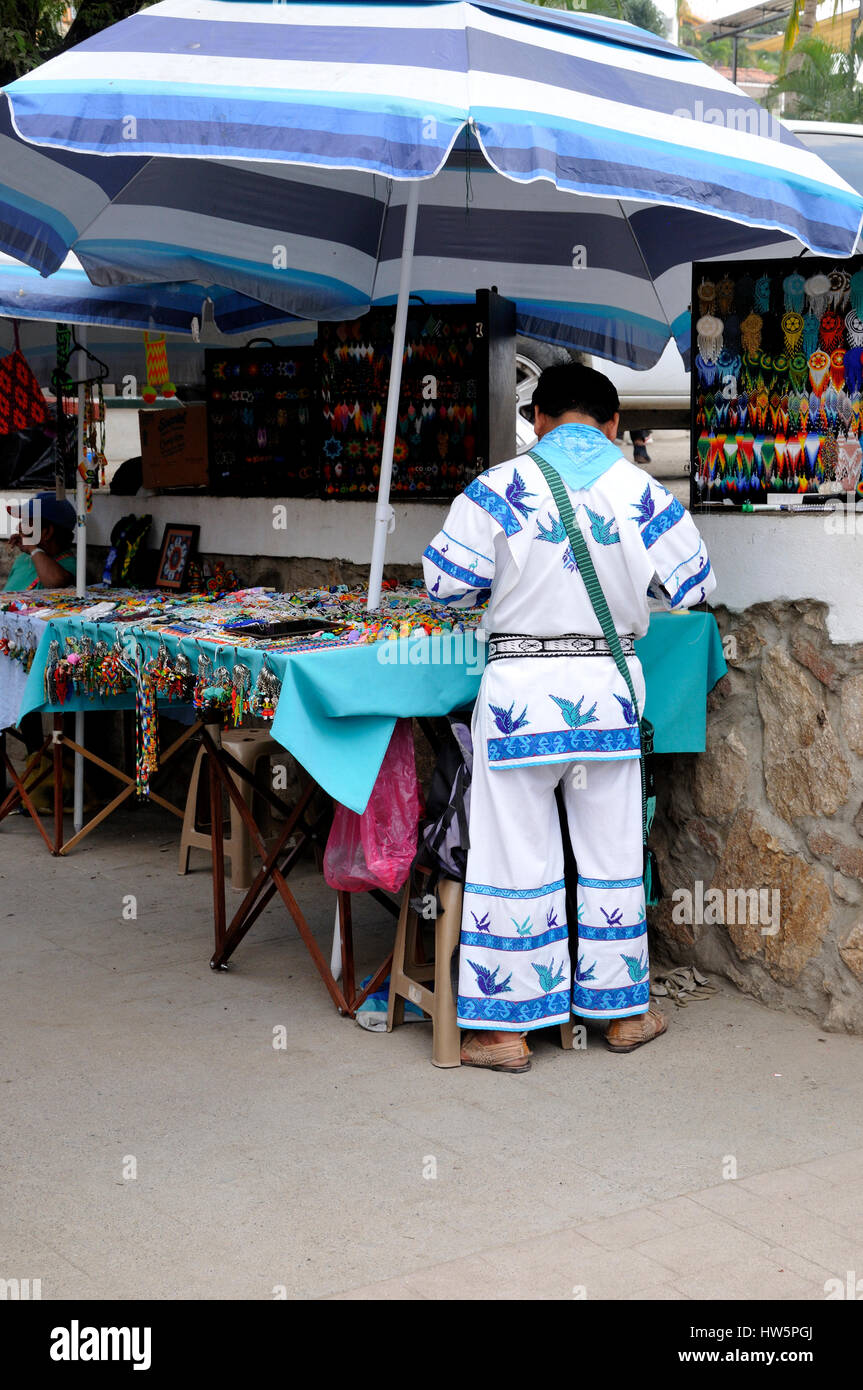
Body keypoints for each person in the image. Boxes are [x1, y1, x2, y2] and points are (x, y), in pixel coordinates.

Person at [422, 362, 715, 1074]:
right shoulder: (641, 489)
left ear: (539, 419)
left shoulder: (495, 487)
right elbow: (695, 583)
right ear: (613, 425)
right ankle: (621, 1014)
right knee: (611, 851)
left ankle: (505, 1032)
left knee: (513, 855)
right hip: (606, 693)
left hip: (519, 691)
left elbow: (443, 588)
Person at [4, 491, 77, 592]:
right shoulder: (23, 559)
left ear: (47, 532)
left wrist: (32, 548)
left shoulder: (72, 566)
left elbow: (56, 583)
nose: (19, 527)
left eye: (26, 521)